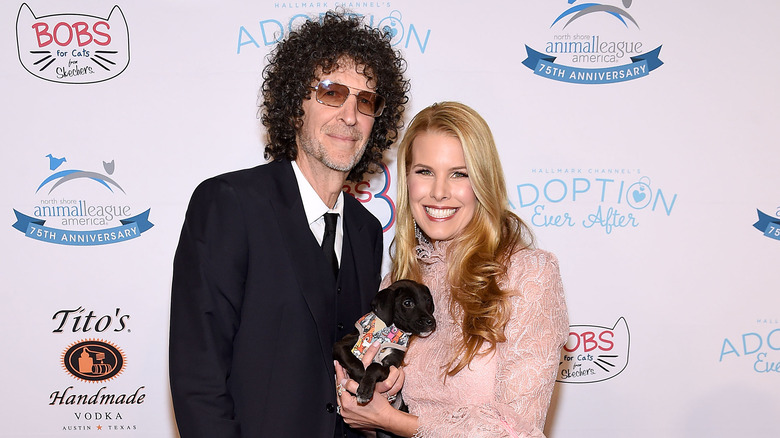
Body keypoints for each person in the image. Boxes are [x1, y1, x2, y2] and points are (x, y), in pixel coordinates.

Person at [169, 10, 410, 438]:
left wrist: (381, 382)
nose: (351, 115)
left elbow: (346, 358)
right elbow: (198, 378)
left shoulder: (366, 230)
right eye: (332, 93)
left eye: (366, 100)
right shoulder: (230, 205)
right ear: (295, 103)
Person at [335, 102, 569, 438]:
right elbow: (377, 418)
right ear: (406, 179)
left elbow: (517, 429)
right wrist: (372, 402)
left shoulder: (529, 274)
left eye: (459, 173)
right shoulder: (400, 283)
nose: (440, 192)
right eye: (425, 171)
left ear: (483, 182)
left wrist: (390, 420)